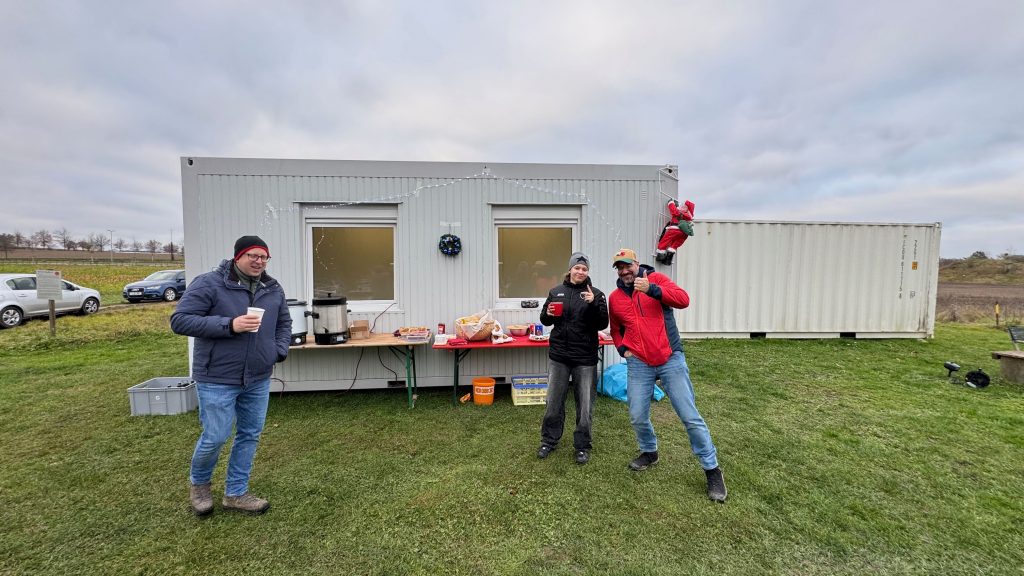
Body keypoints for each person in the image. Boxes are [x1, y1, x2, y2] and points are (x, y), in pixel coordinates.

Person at [171, 235, 291, 516]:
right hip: (217, 376)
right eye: (253, 256)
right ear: (238, 256)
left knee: (249, 435)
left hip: (258, 376)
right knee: (215, 436)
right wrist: (230, 325)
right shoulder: (209, 283)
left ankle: (236, 493)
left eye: (264, 257)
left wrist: (277, 350)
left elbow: (284, 322)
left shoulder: (272, 288)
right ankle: (200, 485)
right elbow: (180, 320)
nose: (259, 261)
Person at [607, 248, 727, 502]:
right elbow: (616, 328)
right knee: (637, 415)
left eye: (628, 265)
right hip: (639, 363)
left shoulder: (656, 280)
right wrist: (622, 349)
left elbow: (683, 299)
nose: (625, 271)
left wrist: (652, 289)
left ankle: (712, 469)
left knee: (689, 416)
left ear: (637, 264)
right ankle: (650, 452)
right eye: (620, 267)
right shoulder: (615, 298)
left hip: (670, 359)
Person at [536, 252, 609, 465]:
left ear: (588, 272)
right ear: (570, 270)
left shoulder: (596, 294)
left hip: (585, 357)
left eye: (584, 269)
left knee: (585, 405)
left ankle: (582, 446)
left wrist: (593, 303)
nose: (580, 271)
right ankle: (548, 441)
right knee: (553, 401)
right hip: (559, 356)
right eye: (577, 268)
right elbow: (545, 320)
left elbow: (603, 323)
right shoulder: (556, 292)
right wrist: (548, 313)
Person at [655, 199, 695, 265]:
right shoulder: (689, 217)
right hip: (684, 234)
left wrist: (671, 203)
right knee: (674, 245)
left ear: (687, 209)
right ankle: (668, 260)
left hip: (675, 229)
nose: (682, 207)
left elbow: (674, 211)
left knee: (665, 240)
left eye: (684, 206)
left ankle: (660, 255)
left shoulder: (681, 213)